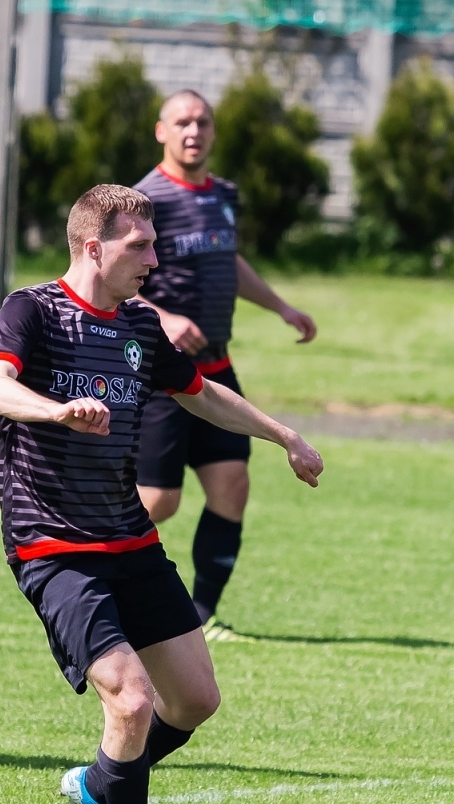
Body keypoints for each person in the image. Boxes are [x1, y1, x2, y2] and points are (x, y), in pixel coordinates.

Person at [0, 185, 323, 804]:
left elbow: (201, 392)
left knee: (194, 701)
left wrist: (284, 435)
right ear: (94, 247)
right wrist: (58, 411)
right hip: (52, 546)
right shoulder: (31, 310)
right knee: (129, 700)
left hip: (128, 538)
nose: (154, 260)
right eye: (141, 246)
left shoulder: (138, 325)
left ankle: (100, 781)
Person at [131, 89, 318, 641]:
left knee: (232, 486)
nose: (194, 131)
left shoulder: (223, 194)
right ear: (161, 131)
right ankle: (80, 568)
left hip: (217, 366)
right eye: (182, 122)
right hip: (162, 374)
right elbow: (106, 278)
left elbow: (227, 260)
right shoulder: (143, 200)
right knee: (158, 500)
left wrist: (281, 306)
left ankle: (200, 617)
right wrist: (163, 317)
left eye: (203, 122)